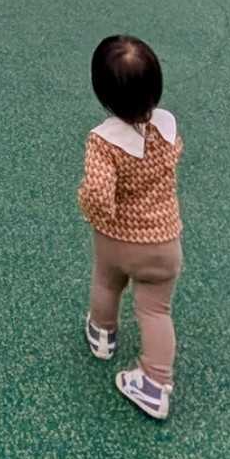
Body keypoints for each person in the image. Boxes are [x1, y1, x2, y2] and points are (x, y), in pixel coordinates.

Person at [78, 33, 183, 420]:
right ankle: (155, 381)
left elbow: (96, 192)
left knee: (107, 282)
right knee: (156, 310)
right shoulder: (168, 129)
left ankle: (103, 334)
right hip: (165, 241)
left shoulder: (104, 142)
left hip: (118, 238)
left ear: (102, 94)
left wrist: (95, 215)